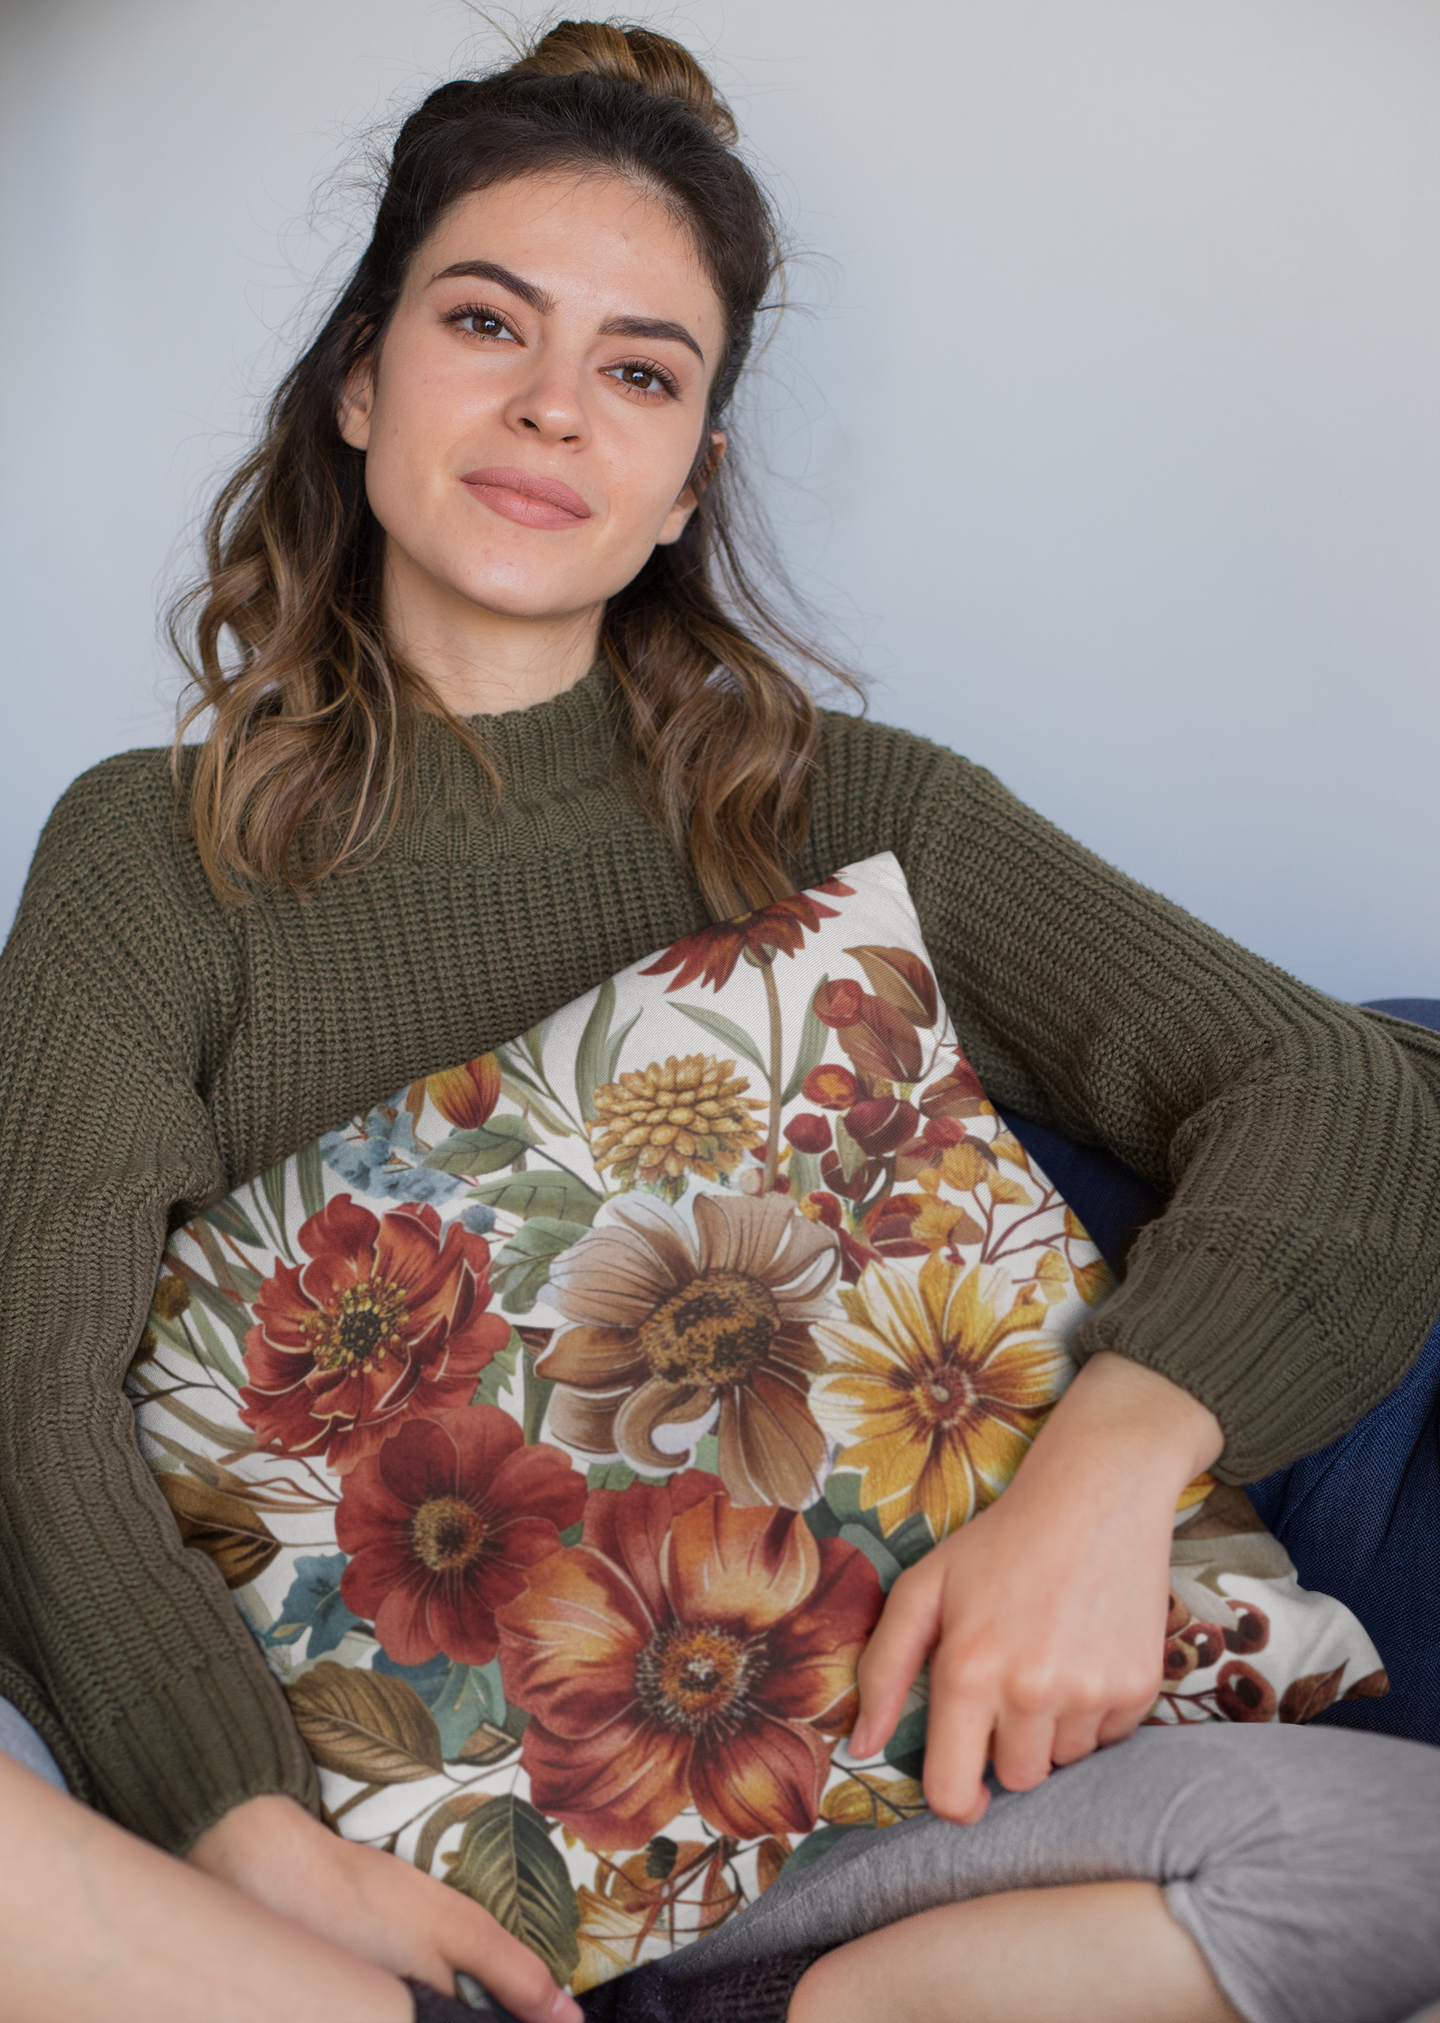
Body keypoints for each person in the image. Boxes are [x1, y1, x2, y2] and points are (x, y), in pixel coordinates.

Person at [1, 21, 1438, 2023]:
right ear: (358, 380)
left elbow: (1347, 1091)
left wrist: (1103, 1478)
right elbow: (30, 1393)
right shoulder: (152, 855)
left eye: (641, 372)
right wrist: (247, 1833)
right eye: (484, 322)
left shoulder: (850, 811)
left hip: (888, 1805)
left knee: (1400, 1854)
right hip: (370, 1874)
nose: (551, 406)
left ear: (694, 477)